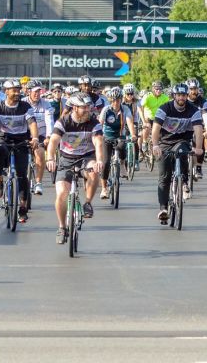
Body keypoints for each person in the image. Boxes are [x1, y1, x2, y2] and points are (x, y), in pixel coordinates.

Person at [46, 92, 104, 244]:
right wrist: (50, 158)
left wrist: (99, 160)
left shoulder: (93, 121)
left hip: (86, 158)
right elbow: (53, 142)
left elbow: (98, 142)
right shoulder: (63, 122)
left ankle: (88, 203)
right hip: (66, 160)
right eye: (83, 107)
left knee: (94, 171)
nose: (87, 110)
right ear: (74, 108)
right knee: (61, 195)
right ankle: (62, 227)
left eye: (88, 107)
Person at [152, 83, 204, 223]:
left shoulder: (193, 110)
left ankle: (184, 181)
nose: (181, 98)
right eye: (179, 95)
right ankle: (163, 208)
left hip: (182, 141)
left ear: (187, 96)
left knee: (182, 152)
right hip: (165, 143)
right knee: (164, 177)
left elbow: (198, 129)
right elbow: (156, 128)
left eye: (184, 95)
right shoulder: (164, 108)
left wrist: (199, 148)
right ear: (174, 96)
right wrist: (155, 145)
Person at [0, 79, 36, 223]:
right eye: (13, 90)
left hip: (21, 141)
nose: (17, 93)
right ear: (6, 92)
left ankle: (22, 207)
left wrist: (35, 138)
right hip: (3, 139)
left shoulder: (25, 106)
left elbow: (32, 123)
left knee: (22, 176)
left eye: (18, 90)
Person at [98, 87, 132, 199]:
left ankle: (122, 164)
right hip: (107, 136)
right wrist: (97, 135)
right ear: (110, 100)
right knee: (106, 162)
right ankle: (104, 189)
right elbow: (100, 123)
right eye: (113, 100)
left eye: (118, 99)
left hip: (119, 136)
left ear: (121, 99)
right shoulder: (106, 109)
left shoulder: (125, 109)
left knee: (122, 146)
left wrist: (134, 134)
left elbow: (129, 122)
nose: (116, 102)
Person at [24, 83, 52, 196]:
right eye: (35, 91)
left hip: (40, 134)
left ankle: (38, 182)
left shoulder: (46, 104)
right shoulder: (22, 102)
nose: (37, 94)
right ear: (28, 92)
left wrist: (49, 136)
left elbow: (49, 121)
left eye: (39, 91)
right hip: (24, 133)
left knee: (40, 155)